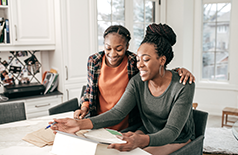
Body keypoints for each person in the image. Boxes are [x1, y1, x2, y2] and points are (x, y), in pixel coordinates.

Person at [50, 23, 195, 155]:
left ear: (162, 60)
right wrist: (79, 124)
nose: (139, 65)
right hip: (147, 131)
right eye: (138, 59)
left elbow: (172, 131)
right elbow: (118, 112)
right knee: (113, 152)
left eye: (146, 59)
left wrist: (141, 140)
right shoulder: (138, 81)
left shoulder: (183, 85)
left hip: (177, 138)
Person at [73, 25, 195, 132]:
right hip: (99, 120)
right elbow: (90, 89)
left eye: (119, 49)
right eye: (108, 48)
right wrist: (84, 107)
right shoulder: (94, 61)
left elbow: (155, 70)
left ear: (127, 46)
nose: (112, 54)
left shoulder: (133, 62)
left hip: (127, 122)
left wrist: (178, 71)